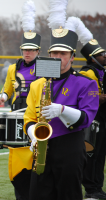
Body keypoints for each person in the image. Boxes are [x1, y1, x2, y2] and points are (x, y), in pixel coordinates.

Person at [24, 15, 99, 199]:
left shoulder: (85, 83)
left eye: (63, 54)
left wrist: (62, 111)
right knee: (38, 194)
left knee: (68, 194)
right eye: (54, 53)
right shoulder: (37, 84)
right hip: (41, 146)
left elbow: (87, 118)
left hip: (70, 145)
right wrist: (33, 133)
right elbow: (28, 116)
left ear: (72, 57)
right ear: (48, 55)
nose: (57, 57)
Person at [0, 1, 41, 199]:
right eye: (25, 49)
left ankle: (36, 189)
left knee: (36, 152)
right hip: (17, 111)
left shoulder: (45, 66)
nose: (27, 52)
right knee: (17, 152)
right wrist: (3, 96)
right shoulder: (13, 68)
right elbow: (7, 89)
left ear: (38, 51)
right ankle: (21, 191)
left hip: (37, 112)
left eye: (31, 50)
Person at [78, 29, 106, 199]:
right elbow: (90, 96)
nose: (105, 55)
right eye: (102, 54)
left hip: (103, 118)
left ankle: (97, 186)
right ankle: (90, 188)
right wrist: (99, 97)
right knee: (92, 154)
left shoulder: (102, 71)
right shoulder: (87, 72)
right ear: (93, 57)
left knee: (101, 154)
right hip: (93, 119)